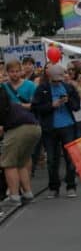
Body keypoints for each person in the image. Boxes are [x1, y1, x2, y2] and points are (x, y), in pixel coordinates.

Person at [31, 64, 80, 199]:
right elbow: (35, 108)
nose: (58, 82)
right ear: (49, 77)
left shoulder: (69, 87)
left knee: (70, 158)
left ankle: (70, 186)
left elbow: (77, 107)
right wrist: (52, 105)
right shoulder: (42, 88)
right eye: (55, 80)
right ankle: (53, 187)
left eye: (60, 80)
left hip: (68, 126)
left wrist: (68, 100)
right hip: (49, 128)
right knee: (52, 159)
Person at [0, 76, 41, 211]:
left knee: (8, 163)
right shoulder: (4, 93)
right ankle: (28, 194)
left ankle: (14, 197)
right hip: (34, 126)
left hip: (18, 127)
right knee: (21, 162)